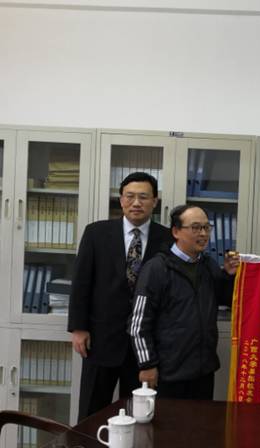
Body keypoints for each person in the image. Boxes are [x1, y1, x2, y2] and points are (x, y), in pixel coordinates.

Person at [68, 172, 173, 420]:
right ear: (121, 199)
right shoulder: (96, 233)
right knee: (92, 411)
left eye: (143, 197)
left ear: (155, 201)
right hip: (100, 338)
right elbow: (81, 282)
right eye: (130, 196)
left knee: (139, 415)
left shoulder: (168, 239)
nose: (136, 203)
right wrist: (78, 328)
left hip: (146, 346)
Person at [128, 204, 239, 399]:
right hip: (168, 373)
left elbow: (228, 300)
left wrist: (229, 276)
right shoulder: (157, 268)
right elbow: (138, 324)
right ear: (176, 232)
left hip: (203, 370)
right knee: (168, 420)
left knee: (200, 418)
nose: (203, 234)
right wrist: (147, 365)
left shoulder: (208, 265)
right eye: (195, 228)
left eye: (206, 227)